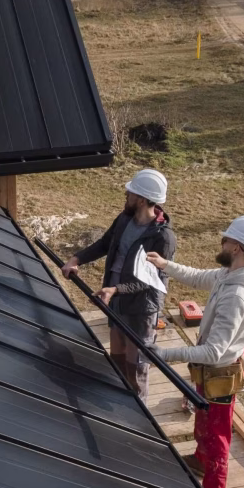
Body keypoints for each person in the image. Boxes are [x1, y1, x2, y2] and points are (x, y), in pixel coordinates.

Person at [145, 215, 244, 488]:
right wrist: (166, 265)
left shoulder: (238, 295)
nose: (221, 242)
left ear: (236, 247)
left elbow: (214, 351)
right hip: (212, 370)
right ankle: (201, 461)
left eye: (225, 239)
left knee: (217, 433)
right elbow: (200, 276)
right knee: (204, 419)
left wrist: (165, 354)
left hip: (221, 371)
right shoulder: (233, 273)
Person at [61, 169, 176, 401]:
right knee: (118, 361)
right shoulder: (124, 220)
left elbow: (150, 280)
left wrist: (116, 289)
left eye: (130, 192)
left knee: (137, 367)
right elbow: (105, 244)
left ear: (141, 199)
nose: (126, 194)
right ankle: (119, 406)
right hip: (116, 302)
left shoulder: (163, 238)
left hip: (141, 309)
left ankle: (140, 418)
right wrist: (76, 259)